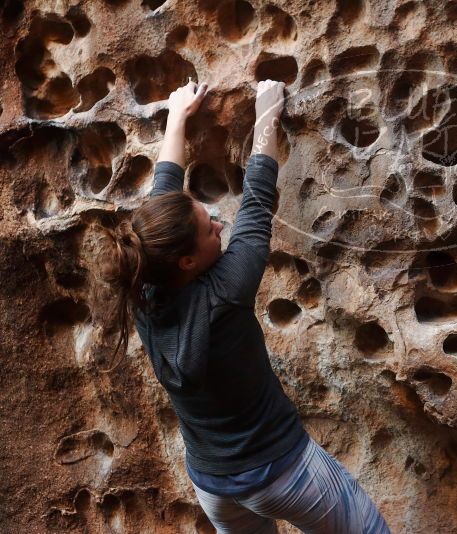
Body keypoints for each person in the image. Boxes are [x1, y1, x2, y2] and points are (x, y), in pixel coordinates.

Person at [97, 78, 390, 534]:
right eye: (209, 228)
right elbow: (256, 198)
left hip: (212, 484)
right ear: (187, 260)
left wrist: (177, 118)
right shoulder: (226, 292)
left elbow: (164, 192)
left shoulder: (143, 285)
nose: (218, 224)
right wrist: (268, 111)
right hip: (283, 472)